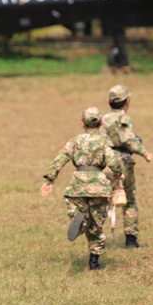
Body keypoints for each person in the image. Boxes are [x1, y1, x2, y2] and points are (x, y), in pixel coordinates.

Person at [40, 108, 122, 270]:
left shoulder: (75, 140)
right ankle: (94, 263)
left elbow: (61, 157)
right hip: (99, 186)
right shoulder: (105, 141)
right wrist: (116, 176)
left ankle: (79, 221)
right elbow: (115, 163)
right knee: (97, 226)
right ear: (102, 123)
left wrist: (50, 179)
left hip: (77, 185)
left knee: (78, 212)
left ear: (82, 124)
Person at [101, 85, 153, 248]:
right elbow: (127, 140)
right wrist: (144, 152)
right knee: (129, 200)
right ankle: (131, 241)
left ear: (109, 101)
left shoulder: (103, 119)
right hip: (122, 162)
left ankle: (93, 233)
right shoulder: (124, 118)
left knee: (102, 199)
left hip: (106, 162)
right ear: (127, 101)